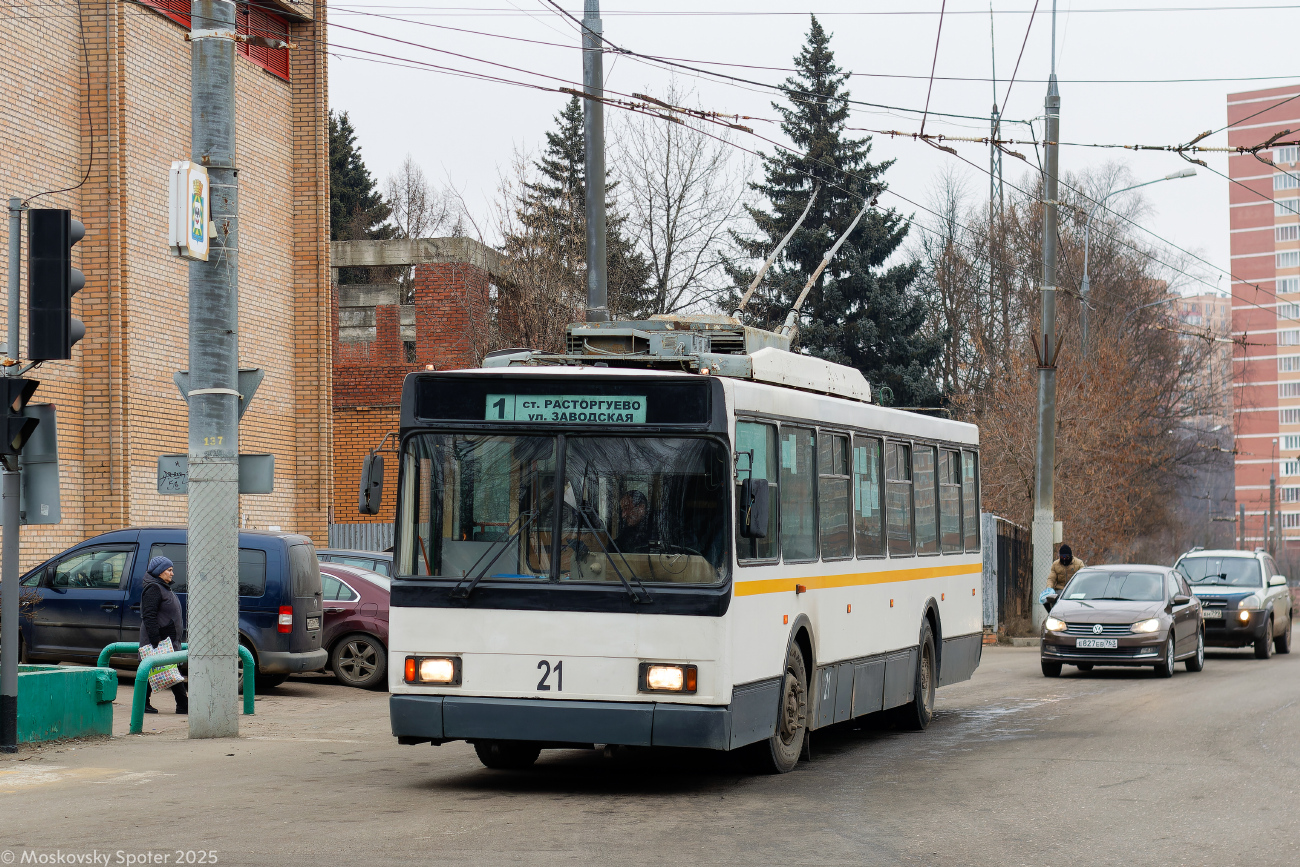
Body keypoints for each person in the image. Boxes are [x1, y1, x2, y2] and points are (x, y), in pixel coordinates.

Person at [140, 556, 188, 715]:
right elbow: (148, 615)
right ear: (159, 572)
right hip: (160, 639)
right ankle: (183, 705)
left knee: (164, 670)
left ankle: (143, 703)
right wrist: (156, 639)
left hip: (167, 638)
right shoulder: (154, 588)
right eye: (169, 570)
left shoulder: (163, 587)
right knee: (167, 669)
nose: (172, 573)